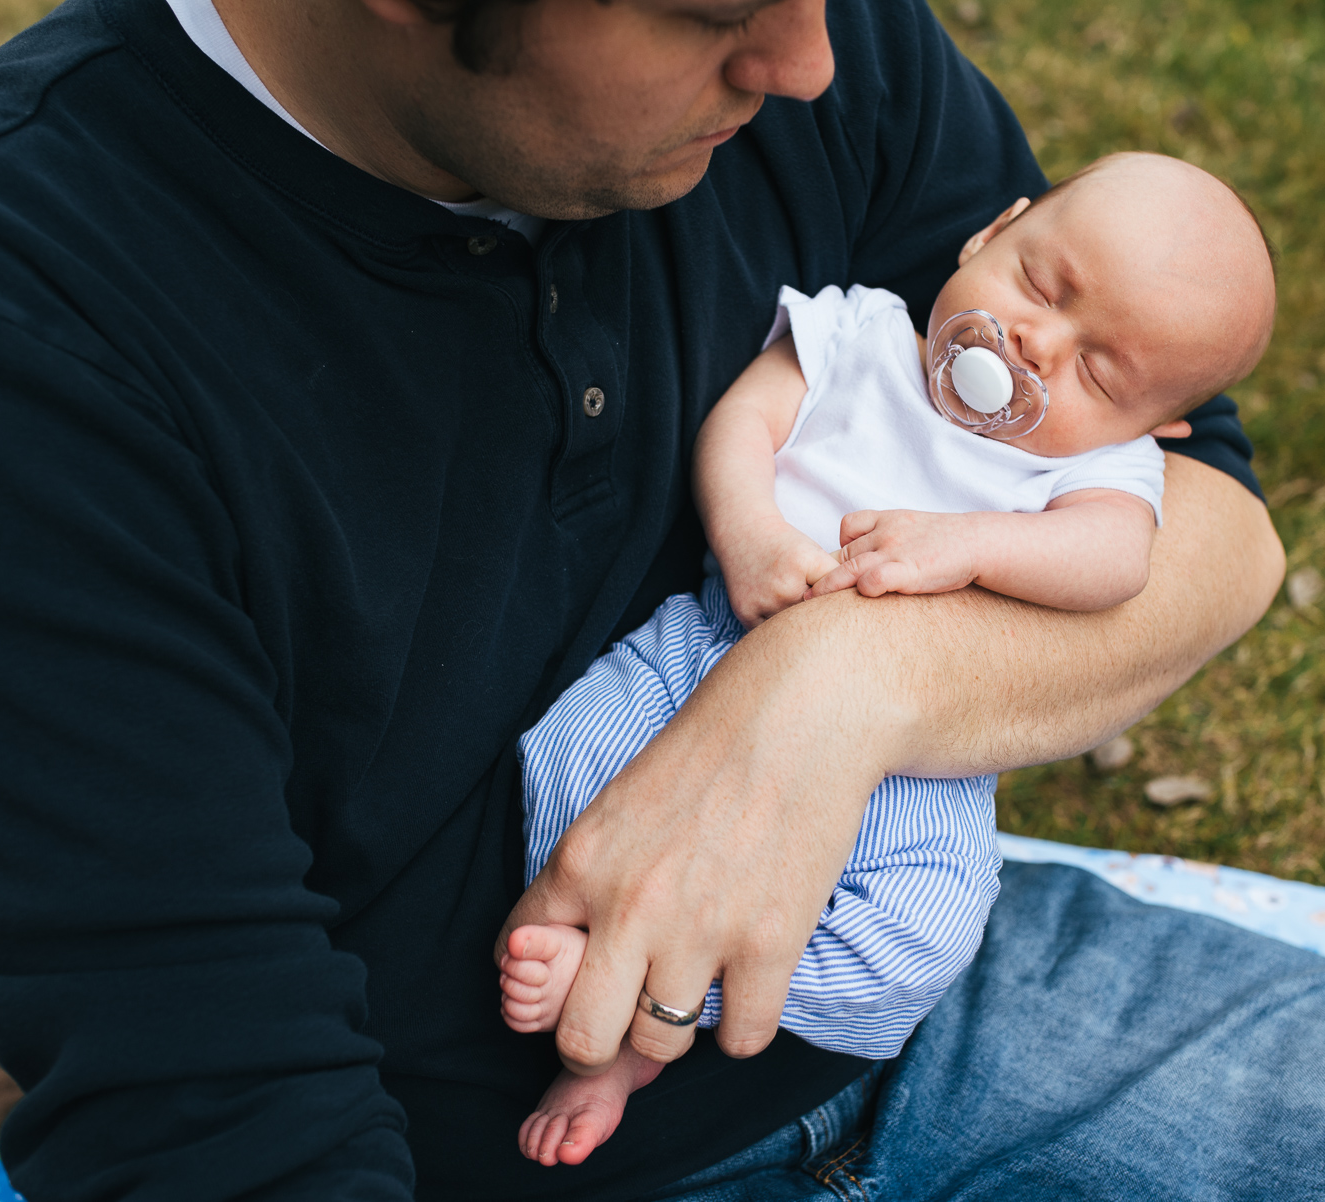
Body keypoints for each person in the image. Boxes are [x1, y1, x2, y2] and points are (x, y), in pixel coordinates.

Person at [0, 0, 1325, 1196]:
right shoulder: (4, 314)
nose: (807, 63)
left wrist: (825, 704)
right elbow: (216, 1102)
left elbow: (1211, 523)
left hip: (919, 1002)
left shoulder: (819, 34)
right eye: (711, 13)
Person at [502, 150, 1278, 1167]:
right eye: (1042, 286)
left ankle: (670, 1006)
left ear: (1159, 424)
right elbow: (745, 424)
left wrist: (971, 543)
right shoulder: (859, 330)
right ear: (990, 233)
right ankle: (596, 948)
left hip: (915, 770)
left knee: (924, 938)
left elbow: (1114, 560)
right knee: (567, 750)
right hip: (704, 651)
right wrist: (751, 536)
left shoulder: (1098, 466)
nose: (1039, 346)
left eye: (1100, 372)